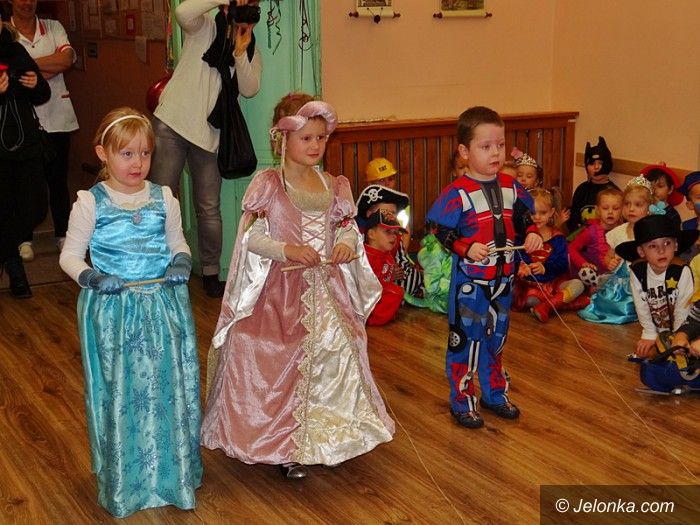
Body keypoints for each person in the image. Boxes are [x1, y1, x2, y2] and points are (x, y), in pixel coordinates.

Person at [201, 94, 394, 479]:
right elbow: (253, 238)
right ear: (282, 139)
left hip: (327, 289)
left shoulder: (334, 184)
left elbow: (347, 228)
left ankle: (333, 435)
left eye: (321, 138)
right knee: (276, 355)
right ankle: (283, 446)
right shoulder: (269, 185)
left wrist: (346, 243)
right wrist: (287, 249)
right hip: (281, 291)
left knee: (338, 351)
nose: (315, 145)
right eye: (306, 138)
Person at [58, 108, 202, 517]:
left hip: (162, 309)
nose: (137, 163)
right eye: (126, 154)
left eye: (145, 153)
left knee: (166, 386)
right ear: (102, 153)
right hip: (115, 313)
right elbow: (69, 256)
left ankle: (171, 473)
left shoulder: (164, 198)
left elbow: (177, 241)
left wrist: (181, 260)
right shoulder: (90, 203)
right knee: (124, 391)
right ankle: (128, 477)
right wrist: (91, 276)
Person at [426, 106, 542, 429]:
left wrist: (532, 233)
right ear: (464, 152)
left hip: (503, 281)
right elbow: (438, 228)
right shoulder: (456, 193)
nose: (495, 153)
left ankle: (494, 394)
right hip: (471, 284)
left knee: (496, 340)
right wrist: (465, 247)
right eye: (486, 146)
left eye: (500, 145)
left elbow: (524, 218)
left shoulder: (512, 186)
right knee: (466, 342)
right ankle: (462, 400)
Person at [150, 0, 262, 298]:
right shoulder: (204, 26)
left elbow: (250, 88)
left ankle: (211, 273)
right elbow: (182, 12)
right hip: (172, 123)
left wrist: (240, 52)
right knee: (161, 201)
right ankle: (155, 269)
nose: (246, 11)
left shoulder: (250, 47)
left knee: (209, 207)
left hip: (209, 134)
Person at [10, 0, 79, 260]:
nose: (27, 3)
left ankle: (63, 234)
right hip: (21, 122)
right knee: (24, 182)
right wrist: (46, 67)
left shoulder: (53, 27)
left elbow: (66, 59)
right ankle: (24, 238)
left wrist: (24, 67)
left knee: (58, 179)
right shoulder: (5, 31)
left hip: (57, 117)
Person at [0, 15, 50, 298]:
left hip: (25, 143)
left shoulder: (15, 49)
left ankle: (5, 254)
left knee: (35, 208)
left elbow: (42, 93)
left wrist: (35, 84)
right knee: (4, 208)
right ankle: (15, 268)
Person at [614, 214, 696, 357]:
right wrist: (649, 333)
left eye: (667, 243)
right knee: (645, 353)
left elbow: (683, 308)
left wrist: (678, 336)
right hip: (659, 329)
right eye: (652, 246)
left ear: (676, 245)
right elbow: (641, 305)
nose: (661, 250)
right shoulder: (638, 271)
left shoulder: (681, 271)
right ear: (641, 251)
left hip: (686, 327)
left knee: (690, 351)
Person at [578, 175, 654, 324]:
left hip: (642, 282)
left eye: (638, 205)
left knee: (629, 305)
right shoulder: (618, 232)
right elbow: (608, 255)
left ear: (649, 208)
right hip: (620, 282)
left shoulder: (650, 234)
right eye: (627, 204)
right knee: (604, 300)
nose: (631, 209)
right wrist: (610, 262)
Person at [512, 188, 589, 323]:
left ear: (551, 212)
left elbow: (562, 265)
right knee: (529, 300)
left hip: (554, 283)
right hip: (530, 286)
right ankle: (566, 303)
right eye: (532, 213)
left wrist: (545, 267)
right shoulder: (521, 237)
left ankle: (547, 307)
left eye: (543, 213)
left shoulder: (558, 238)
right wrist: (521, 266)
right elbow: (515, 258)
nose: (537, 217)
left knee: (578, 285)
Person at [356, 181, 423, 298]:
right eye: (385, 213)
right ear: (370, 214)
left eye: (393, 213)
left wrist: (398, 270)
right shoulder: (358, 237)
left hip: (393, 280)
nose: (390, 217)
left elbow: (402, 262)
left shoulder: (396, 237)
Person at [568, 187, 623, 282]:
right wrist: (583, 263)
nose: (610, 212)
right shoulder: (591, 231)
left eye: (615, 208)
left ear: (622, 210)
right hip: (592, 276)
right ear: (597, 210)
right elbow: (571, 248)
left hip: (614, 276)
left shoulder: (623, 230)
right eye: (605, 208)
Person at [566, 136, 619, 234]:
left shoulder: (614, 192)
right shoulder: (581, 189)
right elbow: (574, 219)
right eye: (592, 163)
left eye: (600, 163)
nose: (596, 167)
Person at [364, 209, 405, 325]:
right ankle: (370, 319)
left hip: (377, 296)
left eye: (395, 233)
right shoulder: (365, 257)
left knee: (396, 291)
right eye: (388, 231)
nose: (394, 237)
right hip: (366, 300)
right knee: (396, 292)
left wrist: (392, 276)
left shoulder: (386, 253)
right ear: (371, 234)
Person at [640, 163, 682, 230]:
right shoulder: (642, 208)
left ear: (670, 189)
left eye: (660, 186)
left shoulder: (673, 215)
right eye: (650, 186)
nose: (654, 190)